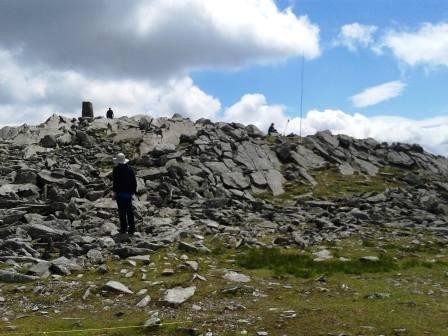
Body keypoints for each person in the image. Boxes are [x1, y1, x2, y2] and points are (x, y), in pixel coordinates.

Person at [112, 153, 137, 234]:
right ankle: (132, 228)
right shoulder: (130, 169)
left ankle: (124, 228)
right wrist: (133, 192)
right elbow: (134, 182)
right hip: (128, 194)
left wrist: (114, 193)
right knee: (129, 211)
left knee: (122, 212)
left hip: (120, 194)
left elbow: (115, 183)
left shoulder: (116, 170)